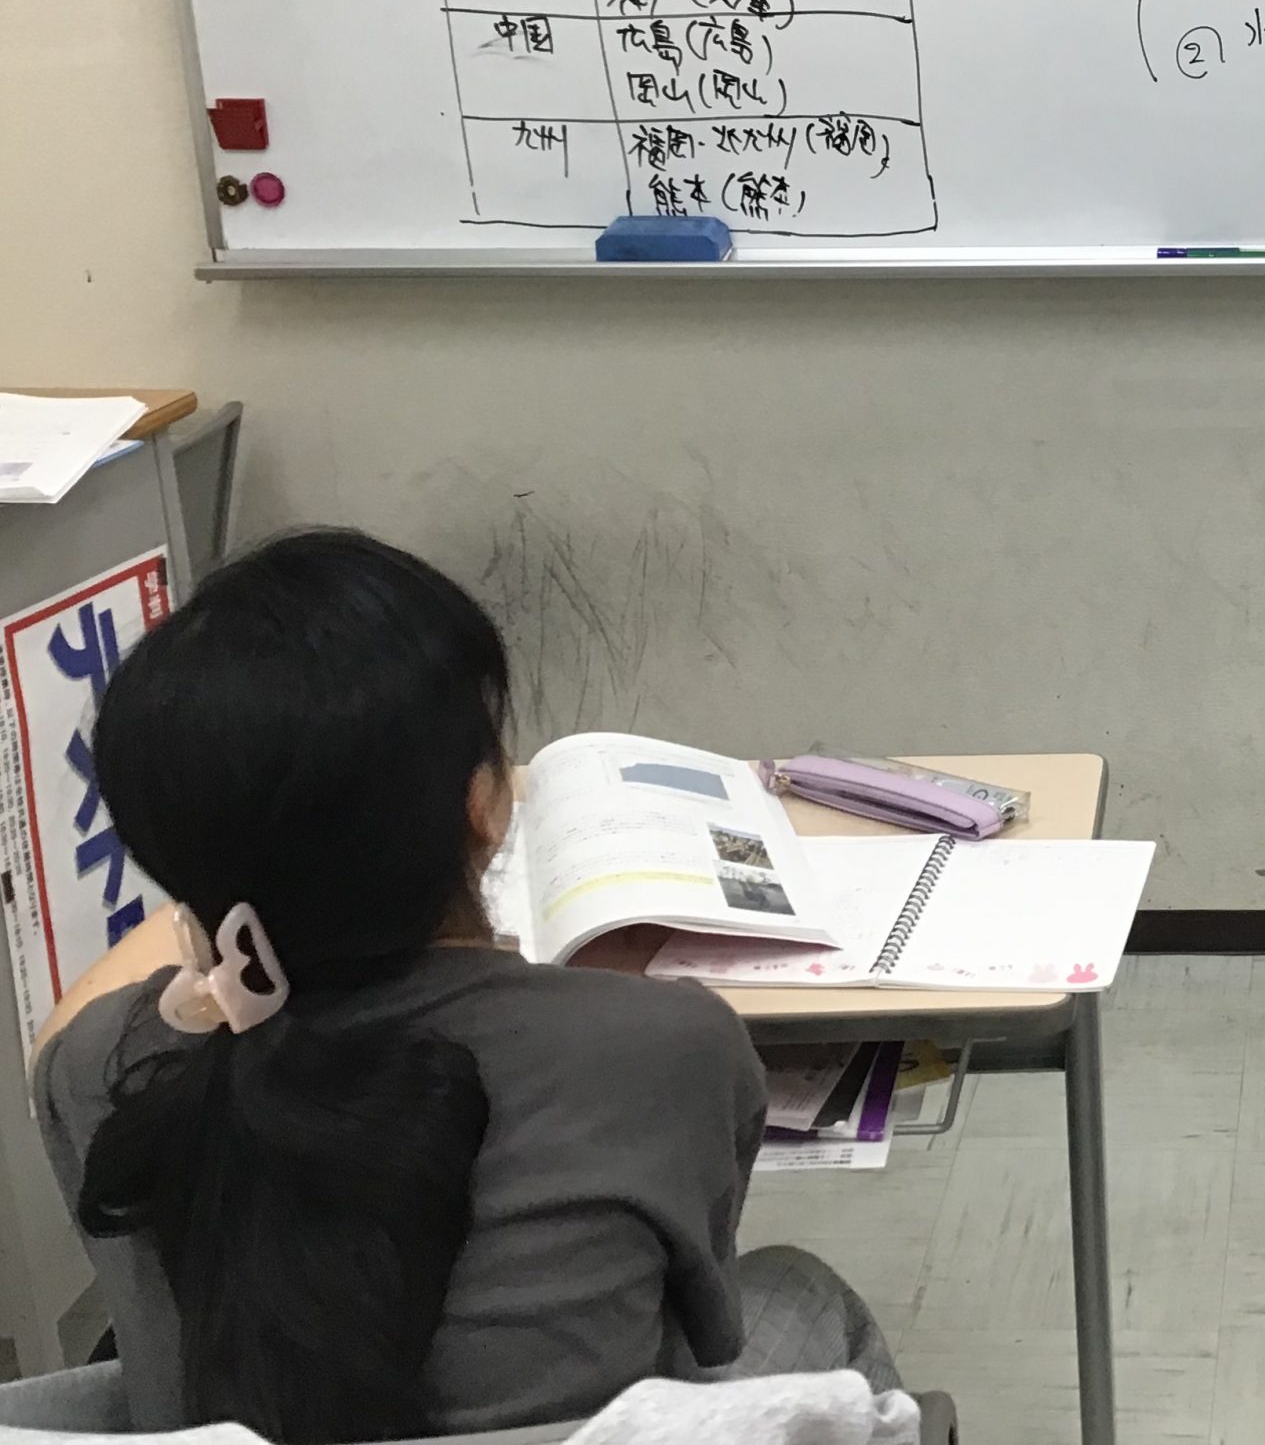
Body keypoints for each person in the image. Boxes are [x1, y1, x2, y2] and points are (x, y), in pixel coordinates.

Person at [31, 530, 897, 1441]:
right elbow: (698, 1329)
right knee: (799, 1291)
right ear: (482, 804)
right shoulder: (667, 1047)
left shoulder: (93, 1067)